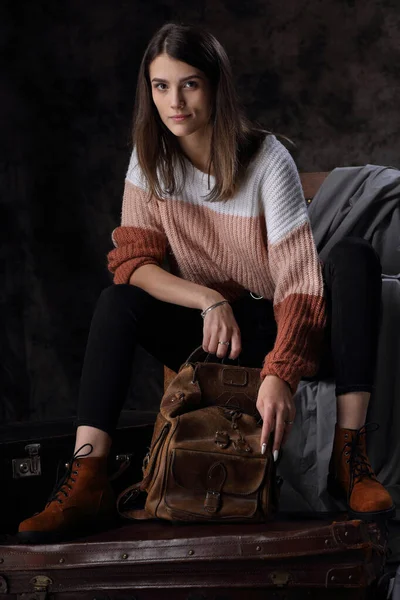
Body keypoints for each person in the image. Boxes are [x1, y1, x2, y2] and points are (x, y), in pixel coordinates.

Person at [18, 22, 394, 544]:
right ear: (149, 92)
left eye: (189, 83)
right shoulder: (149, 159)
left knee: (353, 258)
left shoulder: (266, 160)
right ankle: (88, 478)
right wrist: (207, 299)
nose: (175, 101)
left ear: (216, 85)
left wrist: (282, 370)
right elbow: (132, 263)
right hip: (215, 332)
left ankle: (351, 457)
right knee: (116, 301)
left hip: (279, 324)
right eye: (161, 86)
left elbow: (298, 283)